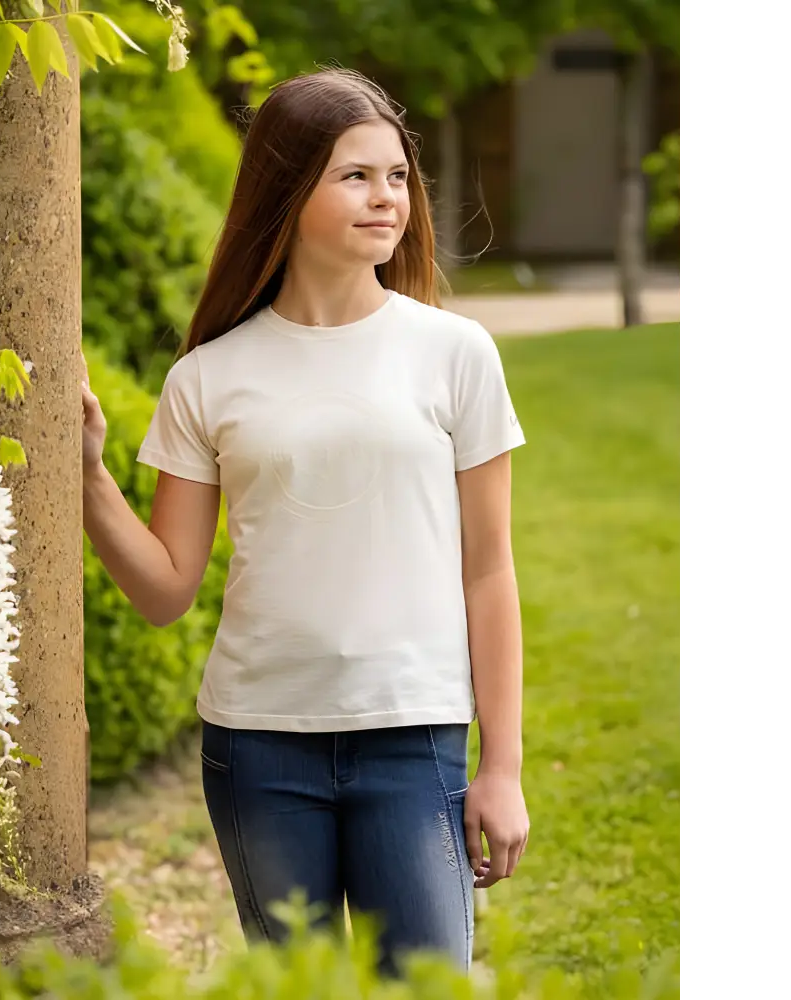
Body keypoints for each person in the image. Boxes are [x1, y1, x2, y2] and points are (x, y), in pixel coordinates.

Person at [81, 68, 530, 976]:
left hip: (414, 738)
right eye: (355, 176)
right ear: (288, 190)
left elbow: (489, 568)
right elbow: (167, 589)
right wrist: (86, 475)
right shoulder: (208, 378)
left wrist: (503, 766)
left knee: (427, 991)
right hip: (259, 749)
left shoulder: (454, 354)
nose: (387, 197)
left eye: (397, 176)